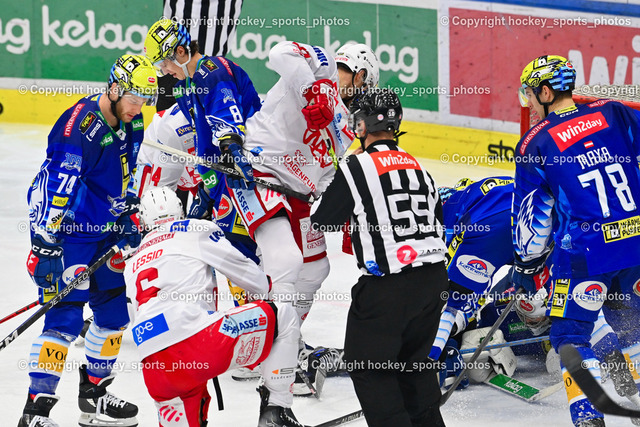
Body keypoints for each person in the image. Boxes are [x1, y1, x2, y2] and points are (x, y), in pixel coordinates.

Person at [20, 54, 158, 427]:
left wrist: (128, 211)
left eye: (144, 100)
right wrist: (44, 242)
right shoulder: (78, 126)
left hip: (105, 231)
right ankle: (35, 412)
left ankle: (95, 396)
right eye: (133, 98)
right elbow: (54, 187)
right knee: (63, 321)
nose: (138, 107)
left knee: (113, 316)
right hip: (69, 235)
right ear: (113, 88)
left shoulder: (132, 120)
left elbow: (127, 171)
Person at [513, 54, 640, 426]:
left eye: (530, 94)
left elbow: (532, 218)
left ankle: (588, 416)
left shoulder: (536, 141)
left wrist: (527, 266)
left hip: (585, 253)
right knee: (628, 324)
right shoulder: (615, 113)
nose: (529, 103)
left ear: (546, 92)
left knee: (570, 335)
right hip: (634, 243)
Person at [311, 88, 448, 427]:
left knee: (368, 366)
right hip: (433, 282)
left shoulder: (356, 166)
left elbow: (323, 220)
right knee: (413, 368)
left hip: (388, 288)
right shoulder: (419, 167)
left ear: (364, 124)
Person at [228, 40, 379, 332]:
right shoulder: (323, 67)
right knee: (285, 260)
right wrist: (312, 91)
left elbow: (325, 172)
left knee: (316, 268)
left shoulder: (347, 125)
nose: (363, 95)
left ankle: (287, 338)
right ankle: (265, 340)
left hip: (298, 194)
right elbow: (279, 52)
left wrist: (345, 185)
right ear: (360, 75)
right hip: (261, 172)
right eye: (366, 86)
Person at [123, 186, 302, 427]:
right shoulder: (193, 229)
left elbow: (135, 317)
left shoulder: (133, 261)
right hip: (198, 340)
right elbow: (250, 277)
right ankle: (276, 413)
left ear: (143, 220)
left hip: (154, 364)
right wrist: (267, 285)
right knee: (285, 315)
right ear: (181, 210)